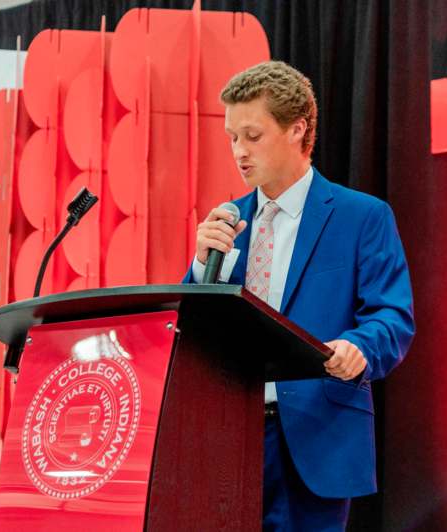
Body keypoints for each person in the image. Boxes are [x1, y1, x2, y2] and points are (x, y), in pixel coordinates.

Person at [182, 60, 414, 531]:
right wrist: (199, 267)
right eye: (232, 137)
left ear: (296, 130)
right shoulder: (228, 224)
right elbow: (190, 330)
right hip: (228, 440)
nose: (238, 152)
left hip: (316, 436)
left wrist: (360, 348)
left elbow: (392, 315)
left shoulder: (361, 216)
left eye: (252, 135)